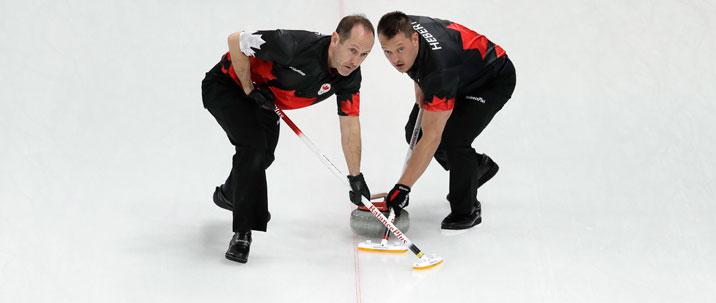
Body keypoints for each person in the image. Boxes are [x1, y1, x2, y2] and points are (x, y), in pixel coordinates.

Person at [202, 16, 375, 263]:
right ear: (335, 39)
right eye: (352, 50)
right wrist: (248, 88)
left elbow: (350, 126)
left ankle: (231, 194)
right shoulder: (292, 45)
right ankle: (243, 233)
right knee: (252, 145)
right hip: (227, 85)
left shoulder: (349, 77)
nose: (355, 61)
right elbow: (235, 41)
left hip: (263, 101)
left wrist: (356, 177)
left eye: (364, 55)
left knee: (264, 155)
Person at [377, 12, 516, 229]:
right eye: (387, 52)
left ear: (414, 39)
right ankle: (475, 169)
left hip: (492, 79)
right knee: (414, 133)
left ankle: (466, 209)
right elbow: (420, 62)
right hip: (458, 75)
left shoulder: (439, 70)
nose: (395, 59)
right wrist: (419, 82)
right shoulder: (404, 25)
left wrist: (403, 187)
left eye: (400, 49)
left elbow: (433, 138)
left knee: (453, 140)